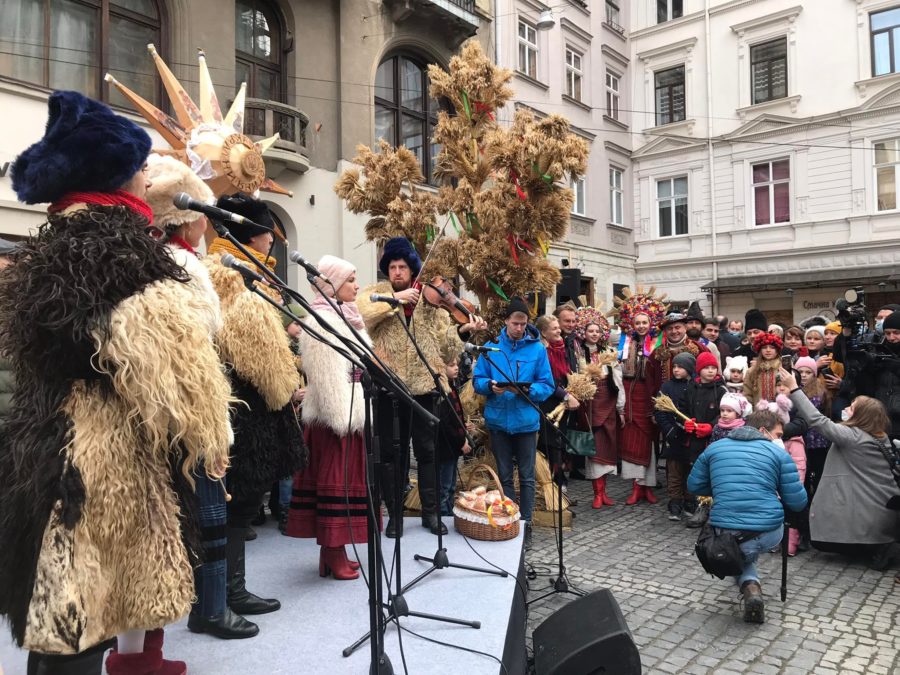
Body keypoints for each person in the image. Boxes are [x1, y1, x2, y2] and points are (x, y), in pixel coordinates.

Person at [0, 90, 233, 673]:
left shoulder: (54, 246)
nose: (144, 177)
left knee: (62, 614)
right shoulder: (118, 253)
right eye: (138, 167)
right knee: (79, 614)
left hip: (44, 447)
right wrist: (211, 433)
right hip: (95, 464)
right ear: (115, 175)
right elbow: (186, 379)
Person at [145, 154, 259, 640]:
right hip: (194, 405)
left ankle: (208, 604)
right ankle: (211, 609)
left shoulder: (173, 260)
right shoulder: (180, 265)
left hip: (189, 400)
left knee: (207, 511)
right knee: (210, 510)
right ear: (189, 219)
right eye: (201, 219)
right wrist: (208, 416)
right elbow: (194, 343)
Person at [205, 193, 307, 621]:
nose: (272, 242)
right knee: (236, 503)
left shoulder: (247, 274)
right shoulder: (234, 277)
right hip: (244, 408)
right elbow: (258, 352)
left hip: (247, 406)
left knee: (241, 504)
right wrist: (286, 386)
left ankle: (231, 590)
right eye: (268, 233)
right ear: (254, 234)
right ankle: (222, 595)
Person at [357, 237, 483, 537]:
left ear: (412, 270)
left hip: (426, 388)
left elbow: (447, 348)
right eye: (392, 266)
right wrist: (396, 301)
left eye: (402, 267)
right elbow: (361, 317)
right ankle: (395, 517)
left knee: (427, 452)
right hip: (390, 388)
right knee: (391, 455)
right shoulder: (377, 294)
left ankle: (430, 515)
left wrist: (464, 330)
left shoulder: (429, 302)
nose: (397, 272)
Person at [286, 256, 371, 581]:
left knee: (345, 487)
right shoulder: (322, 320)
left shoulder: (346, 317)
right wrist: (344, 417)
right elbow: (326, 378)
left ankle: (333, 552)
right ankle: (333, 551)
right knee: (336, 486)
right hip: (337, 419)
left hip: (351, 411)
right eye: (350, 280)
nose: (357, 286)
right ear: (333, 283)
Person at [687, 408, 807, 624]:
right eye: (778, 435)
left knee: (740, 551)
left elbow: (694, 485)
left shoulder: (714, 448)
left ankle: (750, 586)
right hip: (770, 530)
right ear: (763, 431)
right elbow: (798, 502)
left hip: (727, 528)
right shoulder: (779, 454)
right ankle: (751, 587)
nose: (780, 440)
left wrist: (722, 487)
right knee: (745, 553)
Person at [780, 368, 900, 569]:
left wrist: (794, 389)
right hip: (883, 503)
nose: (846, 410)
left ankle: (879, 549)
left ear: (861, 416)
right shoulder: (879, 435)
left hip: (874, 509)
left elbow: (817, 420)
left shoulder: (852, 436)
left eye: (852, 408)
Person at [473, 297, 555, 547]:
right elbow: (478, 379)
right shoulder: (491, 348)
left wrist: (531, 392)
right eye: (515, 323)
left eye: (523, 323)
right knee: (505, 477)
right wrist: (489, 386)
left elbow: (547, 384)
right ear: (506, 321)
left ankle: (526, 524)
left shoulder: (538, 349)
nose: (519, 328)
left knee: (528, 478)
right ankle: (508, 520)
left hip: (526, 422)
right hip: (498, 421)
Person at [609, 289, 668, 506]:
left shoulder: (659, 346)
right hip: (630, 398)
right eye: (638, 322)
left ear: (651, 323)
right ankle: (636, 486)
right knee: (631, 442)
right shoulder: (625, 345)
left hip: (649, 397)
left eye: (645, 322)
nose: (641, 326)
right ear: (632, 324)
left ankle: (648, 487)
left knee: (650, 444)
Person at [572, 307, 625, 508]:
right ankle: (597, 493)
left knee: (609, 447)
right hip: (590, 405)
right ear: (583, 333)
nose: (594, 334)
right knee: (594, 449)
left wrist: (621, 408)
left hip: (608, 402)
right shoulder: (578, 353)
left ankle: (605, 492)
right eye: (590, 331)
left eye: (597, 331)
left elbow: (618, 381)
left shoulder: (609, 352)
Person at [534, 315, 581, 500]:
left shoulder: (560, 348)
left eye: (557, 327)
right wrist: (566, 395)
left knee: (559, 445)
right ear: (544, 332)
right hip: (547, 403)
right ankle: (552, 490)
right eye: (554, 328)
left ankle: (559, 489)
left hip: (560, 402)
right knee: (550, 446)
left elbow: (565, 373)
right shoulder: (542, 351)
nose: (559, 331)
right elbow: (548, 380)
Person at [680, 351, 728, 528]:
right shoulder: (691, 388)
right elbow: (683, 409)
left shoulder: (721, 390)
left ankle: (713, 508)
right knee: (698, 471)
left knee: (713, 472)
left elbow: (726, 413)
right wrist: (686, 422)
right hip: (695, 439)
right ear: (698, 370)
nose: (710, 371)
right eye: (706, 368)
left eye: (713, 367)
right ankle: (700, 505)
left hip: (713, 438)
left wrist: (711, 426)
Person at [654, 352, 694, 521]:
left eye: (681, 367)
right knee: (674, 471)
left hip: (690, 436)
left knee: (690, 470)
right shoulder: (667, 387)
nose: (676, 370)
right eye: (675, 367)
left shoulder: (694, 386)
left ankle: (689, 501)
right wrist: (668, 430)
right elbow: (660, 410)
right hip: (673, 435)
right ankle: (675, 502)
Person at [436, 349, 472, 517]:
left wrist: (464, 426)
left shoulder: (453, 387)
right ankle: (444, 513)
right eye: (451, 365)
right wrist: (461, 441)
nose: (456, 368)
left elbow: (455, 416)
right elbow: (445, 423)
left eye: (456, 365)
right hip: (446, 446)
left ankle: (448, 511)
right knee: (444, 485)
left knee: (450, 485)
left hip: (452, 446)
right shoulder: (442, 391)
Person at [743, 332, 784, 406]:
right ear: (760, 350)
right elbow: (747, 394)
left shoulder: (783, 369)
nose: (768, 350)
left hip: (779, 412)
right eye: (764, 347)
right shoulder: (751, 371)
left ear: (777, 350)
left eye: (772, 347)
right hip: (758, 413)